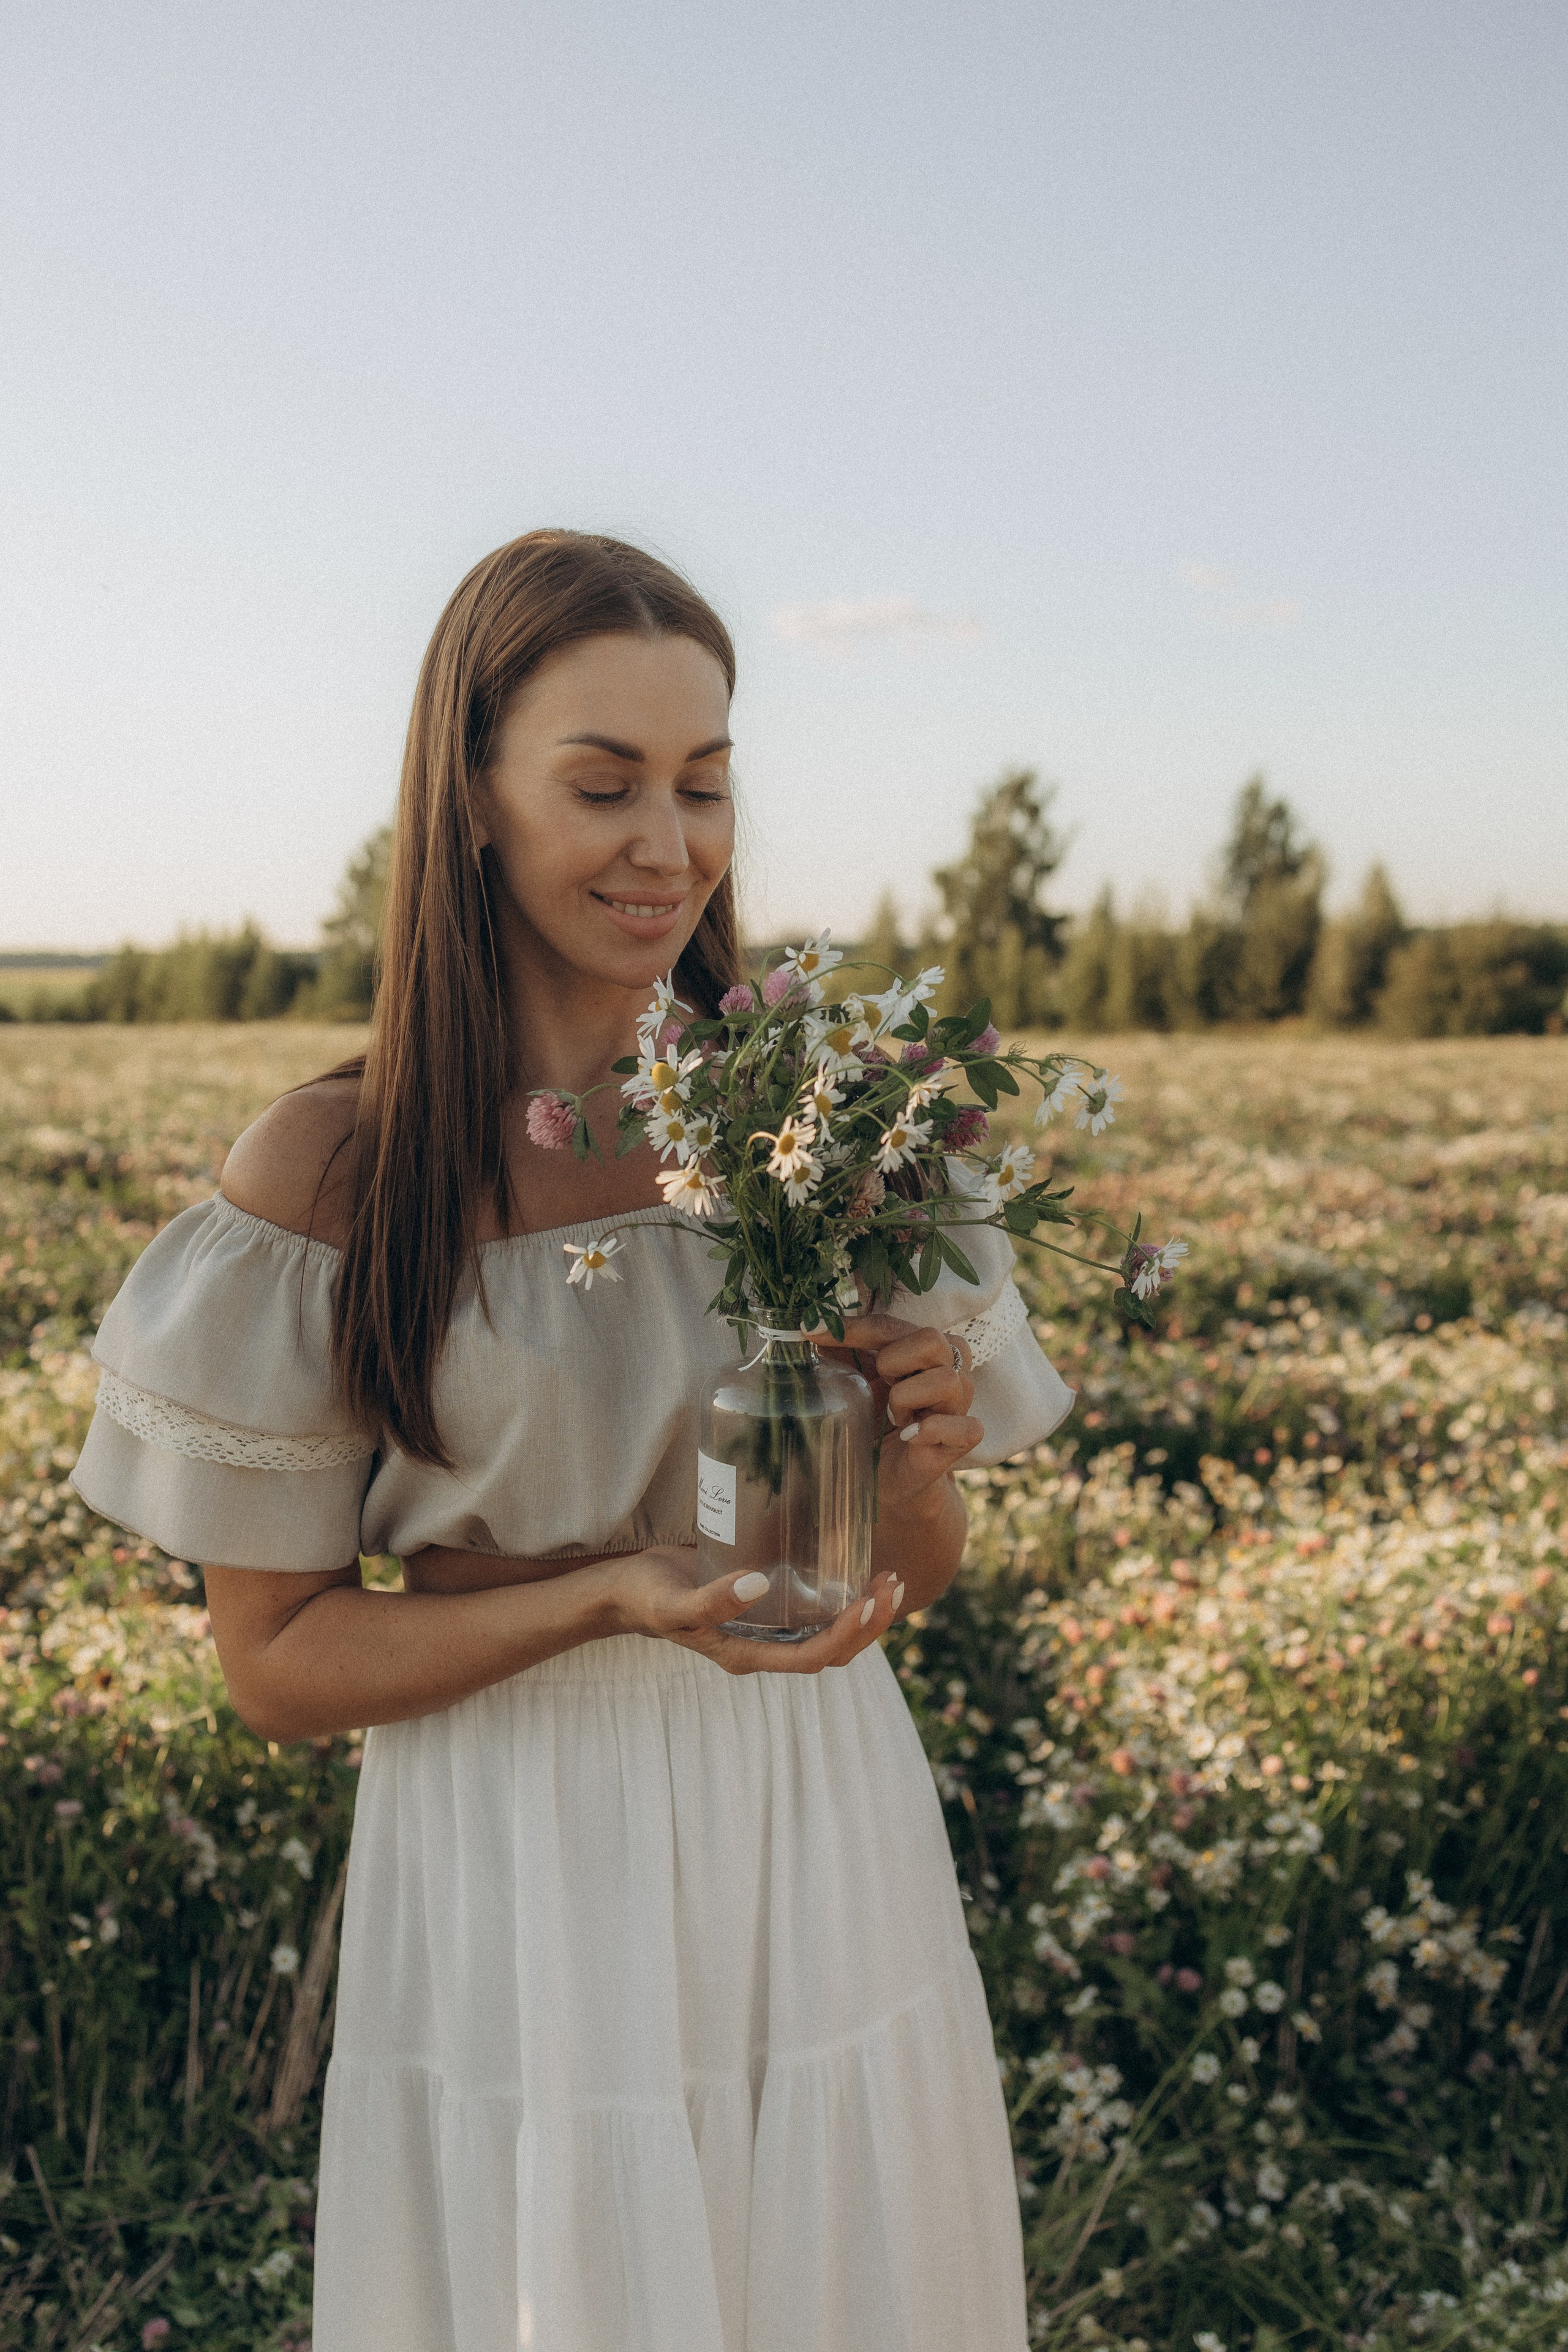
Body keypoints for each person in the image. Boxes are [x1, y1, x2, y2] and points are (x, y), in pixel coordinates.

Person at [71, 529, 1075, 2352]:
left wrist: (910, 1478)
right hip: (521, 1854)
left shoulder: (836, 1125)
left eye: (705, 784)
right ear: (470, 798)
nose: (668, 845)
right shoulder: (340, 1171)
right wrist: (610, 1596)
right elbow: (277, 1668)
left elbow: (900, 1585)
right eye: (603, 785)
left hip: (817, 1812)